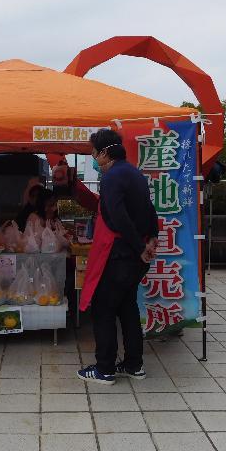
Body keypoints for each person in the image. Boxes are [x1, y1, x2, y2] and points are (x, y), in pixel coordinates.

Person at [77, 129, 158, 385]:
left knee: (103, 310)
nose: (93, 157)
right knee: (128, 309)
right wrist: (151, 238)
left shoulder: (111, 177)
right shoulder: (135, 173)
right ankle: (134, 364)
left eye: (93, 152)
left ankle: (104, 369)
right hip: (134, 257)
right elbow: (150, 209)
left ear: (104, 152)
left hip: (119, 255)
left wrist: (139, 246)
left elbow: (118, 217)